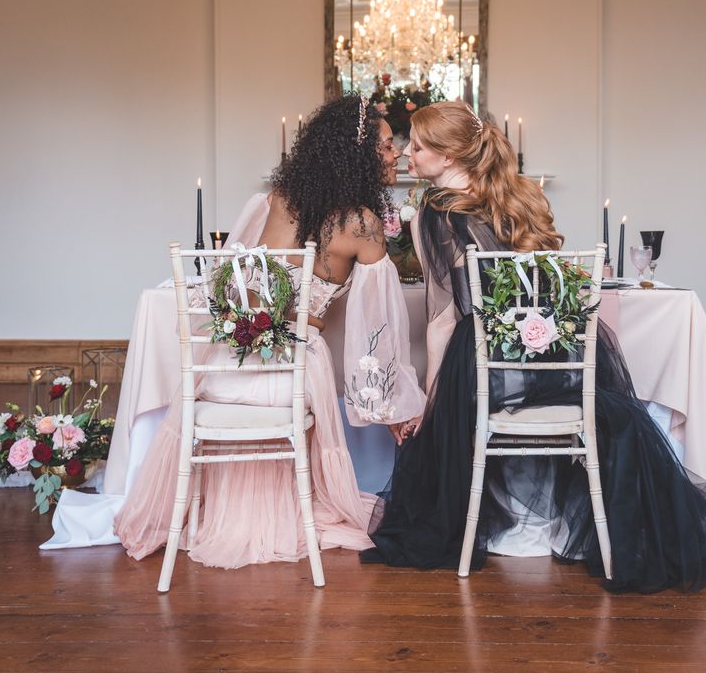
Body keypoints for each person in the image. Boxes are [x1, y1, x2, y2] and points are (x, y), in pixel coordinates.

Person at [361, 100, 706, 594]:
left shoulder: (434, 211)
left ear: (449, 156)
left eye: (417, 147)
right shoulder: (517, 198)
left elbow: (442, 317)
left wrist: (432, 399)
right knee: (619, 416)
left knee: (448, 410)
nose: (407, 157)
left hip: (484, 364)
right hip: (547, 358)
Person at [108, 94, 426, 569]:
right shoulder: (361, 224)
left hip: (225, 371)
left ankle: (214, 513)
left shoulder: (278, 201)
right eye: (385, 146)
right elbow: (379, 325)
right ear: (357, 155)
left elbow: (232, 285)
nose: (396, 153)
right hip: (293, 375)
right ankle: (286, 509)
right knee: (315, 370)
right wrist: (392, 404)